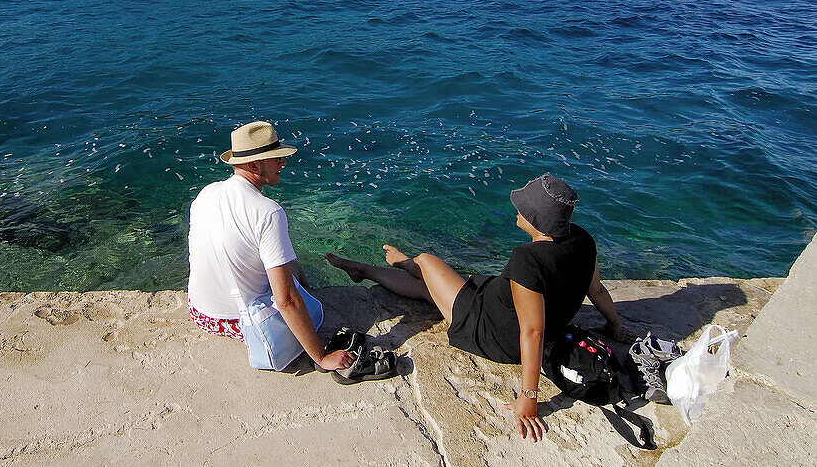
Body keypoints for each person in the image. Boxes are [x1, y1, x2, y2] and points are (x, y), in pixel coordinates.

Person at [326, 172, 632, 442]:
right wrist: (615, 327)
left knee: (426, 262)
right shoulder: (583, 240)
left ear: (536, 220)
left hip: (490, 331)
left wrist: (529, 397)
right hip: (499, 304)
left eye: (522, 207)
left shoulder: (529, 259)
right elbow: (598, 290)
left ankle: (400, 262)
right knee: (431, 287)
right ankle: (363, 270)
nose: (516, 208)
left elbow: (533, 330)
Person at [187, 121, 355, 372]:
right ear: (254, 165)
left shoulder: (206, 193)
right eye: (276, 158)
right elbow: (286, 300)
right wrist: (321, 357)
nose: (283, 163)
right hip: (235, 321)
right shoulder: (268, 212)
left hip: (200, 312)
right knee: (299, 297)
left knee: (281, 262)